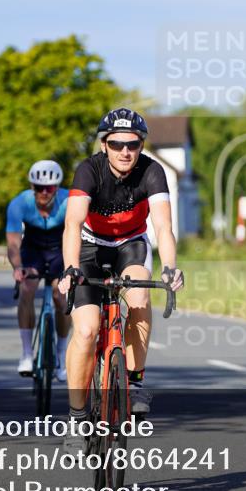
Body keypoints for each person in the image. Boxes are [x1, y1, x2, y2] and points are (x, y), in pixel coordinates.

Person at [58, 108, 185, 453]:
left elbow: (162, 227)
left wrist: (170, 267)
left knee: (140, 298)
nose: (125, 151)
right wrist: (70, 268)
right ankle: (76, 415)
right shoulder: (88, 170)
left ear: (141, 145)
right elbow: (72, 224)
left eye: (133, 144)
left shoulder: (152, 171)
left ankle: (135, 380)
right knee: (85, 330)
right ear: (104, 145)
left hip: (130, 244)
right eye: (116, 144)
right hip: (88, 248)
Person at [6, 160, 71, 380]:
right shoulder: (19, 203)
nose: (44, 193)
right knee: (26, 289)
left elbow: (80, 235)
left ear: (57, 188)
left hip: (60, 250)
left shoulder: (69, 201)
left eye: (50, 188)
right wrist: (17, 268)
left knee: (61, 297)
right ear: (32, 187)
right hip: (32, 250)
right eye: (39, 188)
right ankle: (26, 354)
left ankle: (61, 357)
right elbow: (13, 243)